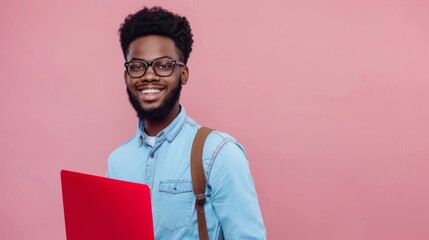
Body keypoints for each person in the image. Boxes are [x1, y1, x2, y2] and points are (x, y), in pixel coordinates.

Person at [106, 6, 266, 239]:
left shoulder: (218, 153)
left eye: (163, 65)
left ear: (183, 73)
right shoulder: (117, 161)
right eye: (137, 66)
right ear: (127, 76)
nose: (149, 76)